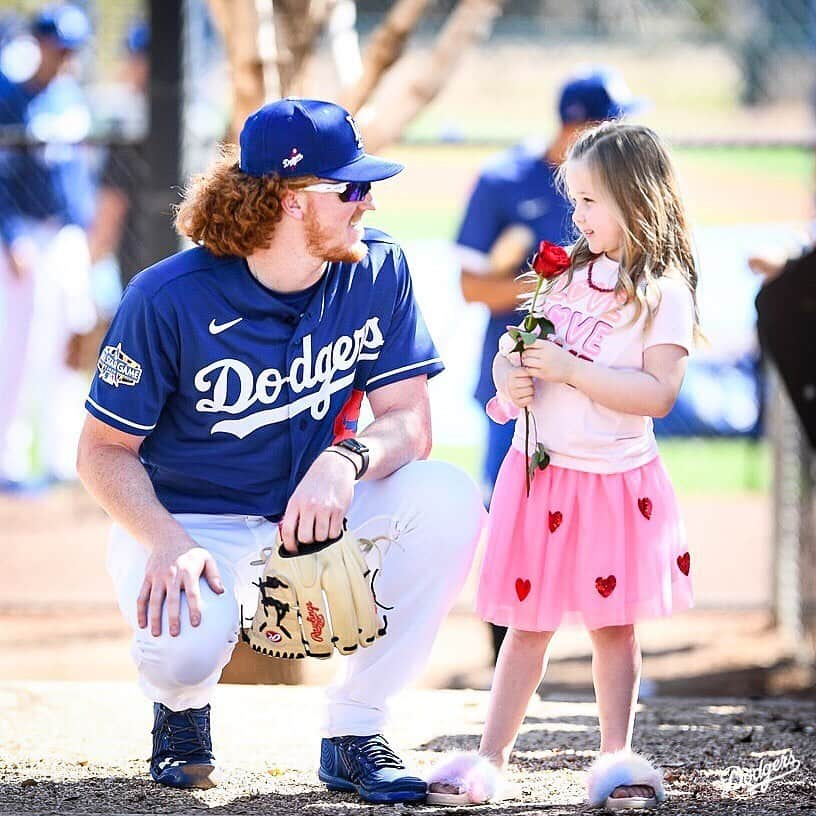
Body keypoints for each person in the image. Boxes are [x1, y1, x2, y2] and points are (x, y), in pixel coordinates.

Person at [75, 97, 484, 803]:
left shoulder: (376, 270)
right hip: (191, 526)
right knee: (187, 649)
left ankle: (356, 729)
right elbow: (101, 452)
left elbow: (408, 422)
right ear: (290, 201)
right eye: (350, 189)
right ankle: (179, 714)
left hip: (311, 519)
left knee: (447, 499)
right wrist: (165, 540)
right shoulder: (167, 297)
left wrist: (344, 460)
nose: (369, 204)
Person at [427, 122, 699, 810]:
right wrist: (509, 377)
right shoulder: (566, 276)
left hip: (611, 482)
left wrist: (573, 371)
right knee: (528, 624)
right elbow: (517, 350)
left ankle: (615, 756)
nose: (576, 217)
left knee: (613, 628)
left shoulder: (661, 293)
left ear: (637, 200)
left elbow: (658, 394)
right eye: (573, 200)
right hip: (540, 475)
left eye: (589, 201)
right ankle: (489, 759)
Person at [455, 67, 642, 658]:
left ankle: (605, 645)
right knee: (512, 500)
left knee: (604, 500)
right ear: (577, 125)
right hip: (520, 374)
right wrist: (551, 286)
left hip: (600, 371)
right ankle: (504, 646)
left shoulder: (619, 186)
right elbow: (472, 288)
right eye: (612, 123)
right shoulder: (506, 179)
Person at [0, 2, 96, 487]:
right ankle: (8, 460)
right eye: (58, 47)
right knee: (16, 344)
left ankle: (62, 455)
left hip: (66, 235)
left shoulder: (70, 97)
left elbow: (81, 176)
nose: (65, 58)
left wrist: (86, 233)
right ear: (37, 44)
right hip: (21, 235)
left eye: (71, 50)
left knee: (69, 343)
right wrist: (12, 235)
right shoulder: (7, 95)